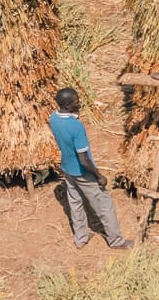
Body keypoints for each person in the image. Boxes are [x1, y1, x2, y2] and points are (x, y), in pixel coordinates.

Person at [47, 88, 132, 249]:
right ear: (67, 105)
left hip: (67, 168)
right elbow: (84, 160)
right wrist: (99, 176)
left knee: (75, 203)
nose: (79, 103)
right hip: (82, 172)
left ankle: (81, 238)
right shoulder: (76, 127)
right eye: (76, 102)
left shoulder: (53, 118)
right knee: (104, 205)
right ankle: (116, 241)